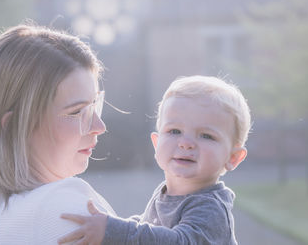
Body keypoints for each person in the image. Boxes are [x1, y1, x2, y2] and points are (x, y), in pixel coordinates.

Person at [59, 75, 251, 245]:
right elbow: (146, 226)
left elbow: (179, 241)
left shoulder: (211, 208)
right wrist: (109, 224)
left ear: (232, 157)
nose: (186, 143)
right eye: (174, 131)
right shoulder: (165, 192)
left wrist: (113, 230)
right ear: (156, 143)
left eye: (206, 136)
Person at [0, 23, 116, 245]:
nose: (99, 125)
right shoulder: (65, 211)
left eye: (95, 105)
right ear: (14, 127)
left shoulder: (6, 213)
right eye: (76, 112)